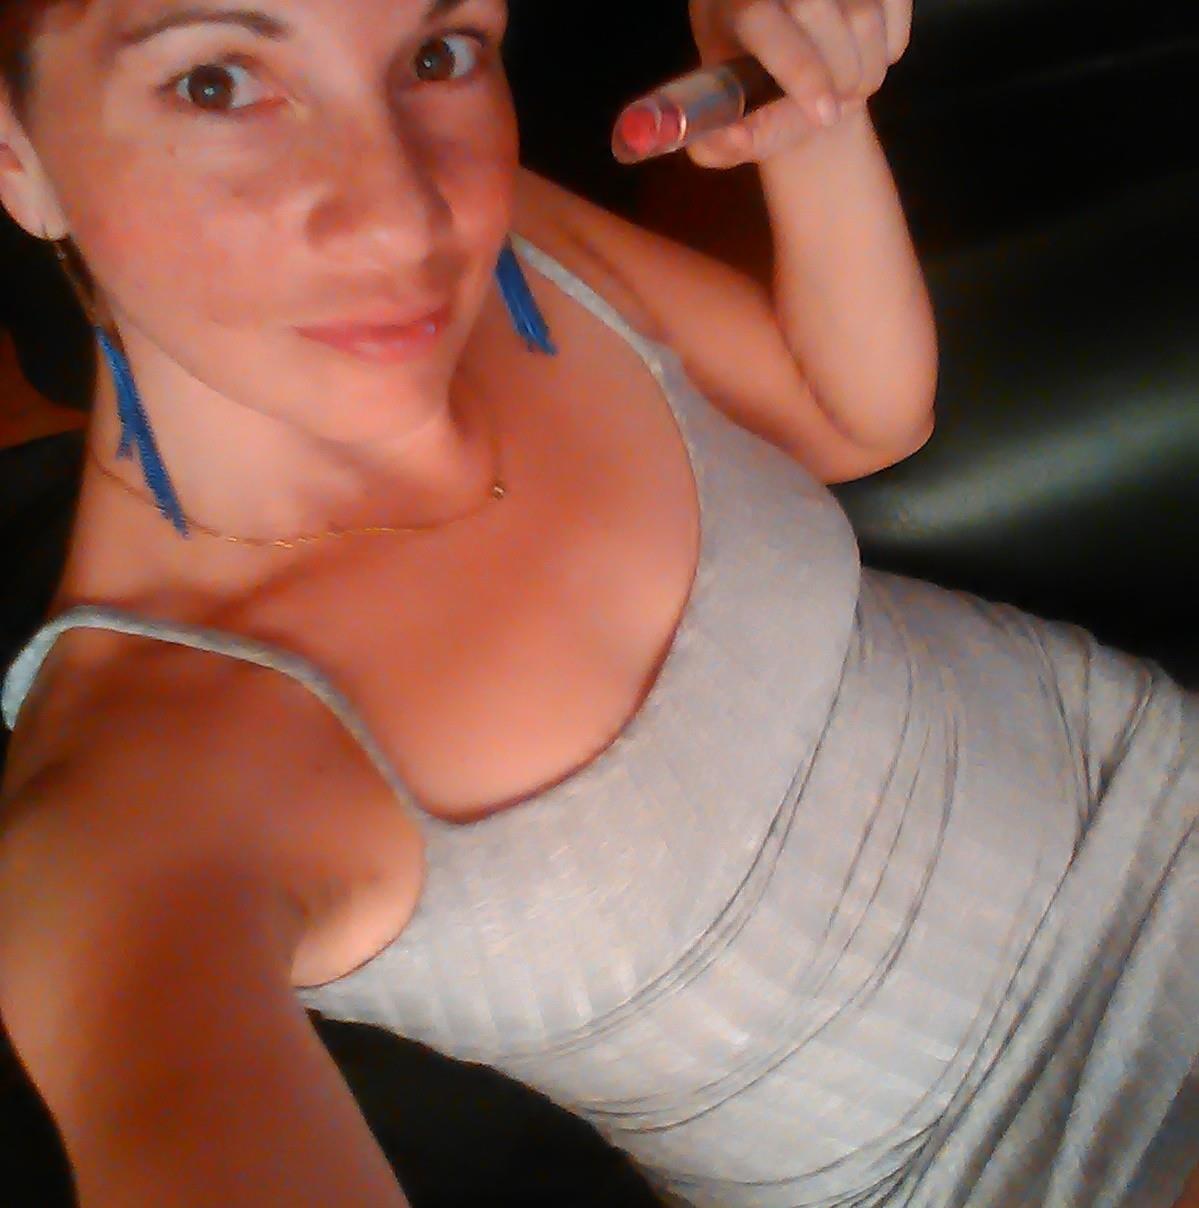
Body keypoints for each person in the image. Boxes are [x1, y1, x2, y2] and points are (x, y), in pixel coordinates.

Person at [0, 1, 1193, 1205]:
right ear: (17, 154)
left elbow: (850, 414)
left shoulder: (500, 237)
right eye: (213, 82)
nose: (405, 212)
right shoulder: (140, 798)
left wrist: (807, 109)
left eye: (437, 53)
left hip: (1154, 788)